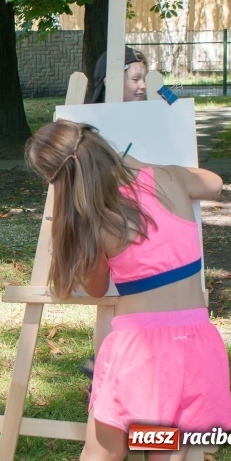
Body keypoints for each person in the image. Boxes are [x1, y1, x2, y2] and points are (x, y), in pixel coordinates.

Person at [25, 120, 231, 461]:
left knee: (102, 453)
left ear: (61, 181)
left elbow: (96, 288)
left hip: (141, 352)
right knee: (166, 453)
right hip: (197, 346)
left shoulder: (97, 219)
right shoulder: (170, 178)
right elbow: (215, 183)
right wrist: (148, 167)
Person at [80, 45, 149, 380]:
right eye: (135, 77)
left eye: (144, 79)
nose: (142, 85)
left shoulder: (149, 122)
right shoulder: (89, 129)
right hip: (107, 228)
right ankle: (102, 370)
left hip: (139, 229)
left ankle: (110, 370)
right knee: (108, 301)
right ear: (110, 80)